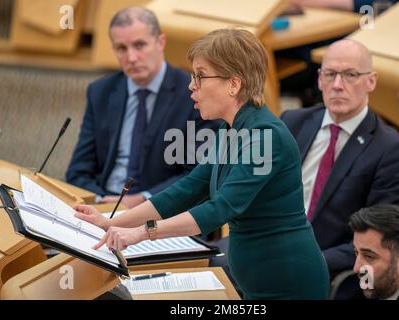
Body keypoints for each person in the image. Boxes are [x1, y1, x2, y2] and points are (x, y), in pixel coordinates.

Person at [74, 28, 330, 300]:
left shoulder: (267, 138)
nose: (191, 85)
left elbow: (219, 209)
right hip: (257, 281)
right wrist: (112, 222)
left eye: (200, 76)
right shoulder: (231, 129)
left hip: (289, 284)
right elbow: (189, 189)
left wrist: (141, 233)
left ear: (234, 83)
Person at [281, 39, 399, 277]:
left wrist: (308, 261)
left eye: (350, 75)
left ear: (371, 81)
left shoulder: (390, 150)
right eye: (330, 74)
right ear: (320, 79)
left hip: (324, 268)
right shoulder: (293, 122)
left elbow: (380, 236)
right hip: (269, 248)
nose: (338, 85)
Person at [66, 7, 218, 208]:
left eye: (139, 45)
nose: (131, 57)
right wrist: (100, 202)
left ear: (160, 42)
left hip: (161, 209)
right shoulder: (100, 92)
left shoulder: (194, 94)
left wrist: (143, 199)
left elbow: (198, 175)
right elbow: (78, 171)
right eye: (121, 48)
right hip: (103, 203)